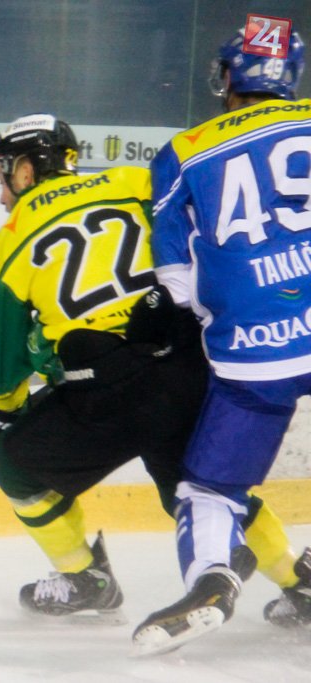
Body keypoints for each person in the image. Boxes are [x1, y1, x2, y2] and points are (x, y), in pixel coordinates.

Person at [0, 113, 300, 626]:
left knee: (14, 466)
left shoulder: (10, 238)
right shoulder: (133, 182)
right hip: (189, 365)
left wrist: (0, 408)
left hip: (107, 394)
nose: (1, 192)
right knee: (203, 488)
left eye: (3, 172)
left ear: (27, 169)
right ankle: (300, 581)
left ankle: (85, 579)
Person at [133, 26, 311, 655]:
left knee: (210, 488)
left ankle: (212, 582)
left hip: (254, 348)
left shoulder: (182, 152)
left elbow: (177, 281)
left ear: (229, 77)